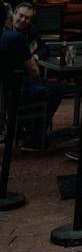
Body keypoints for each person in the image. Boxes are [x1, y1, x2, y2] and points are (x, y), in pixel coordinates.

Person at [0, 12, 67, 151]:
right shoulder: (13, 37)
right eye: (19, 15)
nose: (22, 19)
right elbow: (34, 71)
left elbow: (43, 48)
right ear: (9, 17)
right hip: (11, 92)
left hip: (8, 89)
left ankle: (25, 128)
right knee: (56, 90)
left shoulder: (30, 31)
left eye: (27, 17)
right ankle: (34, 138)